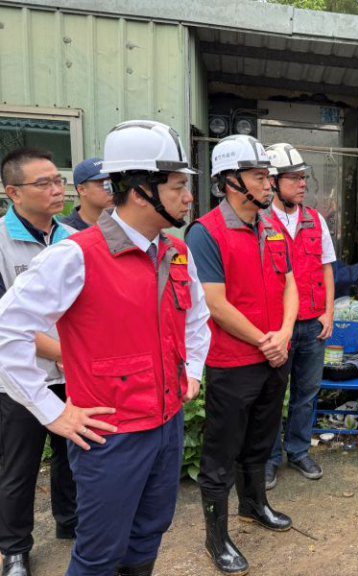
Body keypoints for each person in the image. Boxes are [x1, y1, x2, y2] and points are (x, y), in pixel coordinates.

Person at [0, 120, 211, 576]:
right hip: (112, 437)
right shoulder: (75, 255)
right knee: (99, 554)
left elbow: (197, 317)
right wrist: (51, 412)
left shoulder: (176, 253)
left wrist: (192, 368)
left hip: (167, 424)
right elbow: (6, 330)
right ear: (140, 190)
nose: (188, 198)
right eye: (178, 187)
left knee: (148, 535)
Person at [185, 135, 298, 575]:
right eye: (258, 175)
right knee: (220, 453)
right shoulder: (206, 233)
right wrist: (265, 341)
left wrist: (284, 334)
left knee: (260, 440)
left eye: (268, 175)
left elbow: (289, 282)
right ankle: (217, 538)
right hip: (233, 364)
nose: (268, 183)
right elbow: (214, 302)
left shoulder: (271, 228)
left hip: (274, 356)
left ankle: (254, 506)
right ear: (230, 182)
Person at [0, 148, 77, 576]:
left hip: (73, 375)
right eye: (43, 183)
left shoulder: (72, 239)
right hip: (22, 380)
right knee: (20, 466)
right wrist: (67, 354)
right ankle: (14, 549)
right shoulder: (0, 243)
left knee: (72, 455)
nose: (55, 189)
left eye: (58, 180)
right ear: (13, 192)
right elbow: (5, 324)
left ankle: (70, 522)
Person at [264, 143, 336, 489]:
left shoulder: (315, 219)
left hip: (312, 323)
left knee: (307, 393)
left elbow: (326, 270)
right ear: (274, 182)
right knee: (272, 394)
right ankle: (268, 458)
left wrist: (329, 314)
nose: (302, 184)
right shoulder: (261, 221)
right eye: (294, 178)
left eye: (303, 178)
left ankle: (298, 451)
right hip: (277, 328)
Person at [59, 157, 114, 230]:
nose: (112, 190)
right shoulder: (65, 231)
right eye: (104, 185)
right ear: (82, 190)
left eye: (113, 183)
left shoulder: (125, 222)